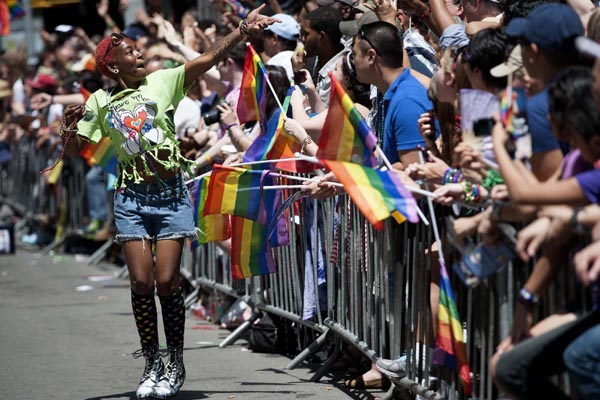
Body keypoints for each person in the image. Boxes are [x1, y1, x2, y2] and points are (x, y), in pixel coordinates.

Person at [61, 7, 276, 399]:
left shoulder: (164, 81)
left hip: (171, 195)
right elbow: (78, 149)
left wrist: (242, 30)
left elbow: (209, 58)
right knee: (141, 282)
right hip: (131, 198)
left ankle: (175, 361)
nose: (140, 54)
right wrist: (68, 128)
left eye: (140, 49)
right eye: (130, 51)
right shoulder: (99, 101)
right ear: (112, 66)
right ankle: (151, 363)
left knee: (166, 281)